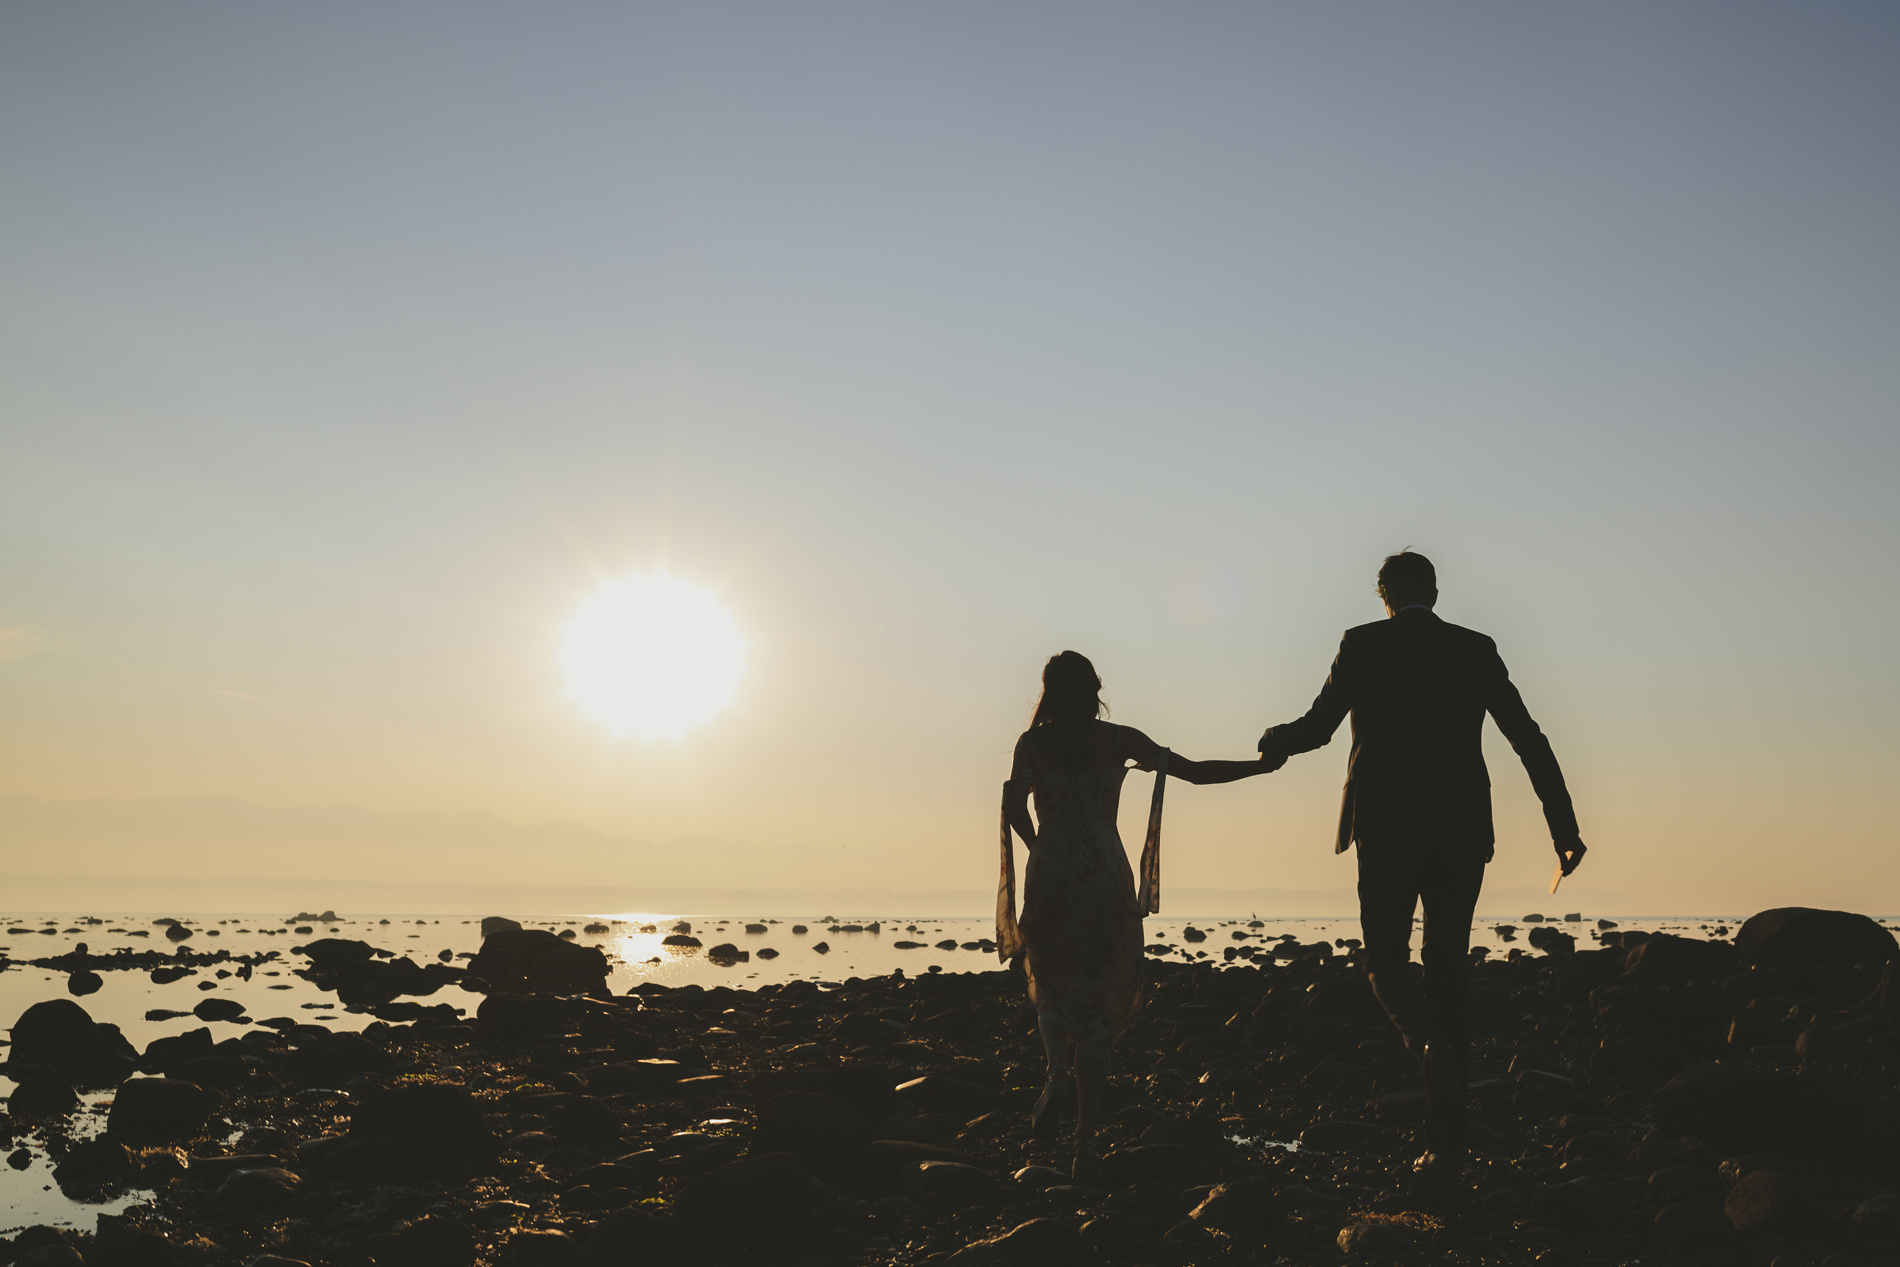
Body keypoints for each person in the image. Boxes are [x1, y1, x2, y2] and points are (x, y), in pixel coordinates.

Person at [1257, 551, 1586, 1177]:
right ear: (1433, 594)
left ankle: (1424, 1046)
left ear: (1384, 596)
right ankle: (1447, 1136)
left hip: (1386, 826)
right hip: (1462, 828)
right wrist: (1563, 826)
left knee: (1385, 958)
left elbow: (1319, 727)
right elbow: (1527, 736)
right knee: (1447, 969)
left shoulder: (1362, 644)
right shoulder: (1475, 648)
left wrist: (1275, 739)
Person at [997, 650, 1280, 1182]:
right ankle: (1084, 1147)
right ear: (1096, 688)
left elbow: (1012, 808)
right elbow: (1194, 773)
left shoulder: (1032, 744)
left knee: (1053, 984)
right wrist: (1258, 766)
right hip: (1105, 872)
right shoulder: (1120, 740)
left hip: (1052, 869)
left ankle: (1056, 1073)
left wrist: (1042, 846)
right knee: (1102, 999)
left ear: (1049, 693)